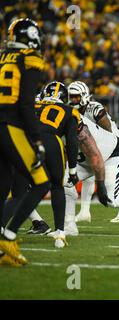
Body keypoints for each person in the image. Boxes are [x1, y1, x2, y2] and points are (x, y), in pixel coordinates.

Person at [0, 18, 50, 267]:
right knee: (41, 182)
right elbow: (26, 104)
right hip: (11, 127)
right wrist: (37, 139)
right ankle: (8, 238)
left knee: (3, 185)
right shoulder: (29, 58)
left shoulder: (2, 57)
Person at [67, 80, 119, 223]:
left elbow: (108, 132)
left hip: (113, 143)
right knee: (90, 177)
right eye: (71, 96)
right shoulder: (71, 111)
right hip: (93, 144)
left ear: (83, 96)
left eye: (76, 96)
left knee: (112, 179)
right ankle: (84, 212)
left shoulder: (94, 108)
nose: (73, 99)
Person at [33, 81, 79, 248]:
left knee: (19, 187)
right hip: (52, 141)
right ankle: (60, 231)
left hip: (28, 141)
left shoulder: (35, 104)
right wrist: (73, 170)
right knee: (57, 186)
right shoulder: (69, 111)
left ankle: (7, 229)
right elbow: (72, 143)